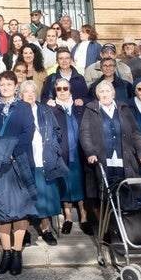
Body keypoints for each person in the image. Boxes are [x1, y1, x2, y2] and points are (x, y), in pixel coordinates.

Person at [0, 71, 37, 276]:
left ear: (15, 86)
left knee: (21, 208)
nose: (5, 87)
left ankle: (18, 252)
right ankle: (6, 252)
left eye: (9, 84)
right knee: (1, 208)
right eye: (2, 84)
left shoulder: (24, 108)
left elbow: (28, 133)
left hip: (19, 162)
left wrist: (10, 152)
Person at [79, 80, 141, 226]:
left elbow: (136, 133)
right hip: (102, 160)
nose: (105, 94)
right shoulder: (91, 109)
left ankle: (128, 226)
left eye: (107, 91)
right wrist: (90, 152)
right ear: (97, 95)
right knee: (105, 194)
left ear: (113, 93)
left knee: (125, 191)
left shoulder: (123, 108)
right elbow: (84, 134)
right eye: (101, 92)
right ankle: (108, 228)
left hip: (124, 158)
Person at [19, 80, 65, 247]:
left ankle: (46, 230)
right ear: (20, 95)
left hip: (45, 159)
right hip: (25, 160)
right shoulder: (17, 111)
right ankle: (23, 233)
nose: (30, 95)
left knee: (46, 198)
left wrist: (54, 147)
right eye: (26, 92)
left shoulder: (45, 110)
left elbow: (56, 131)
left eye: (33, 92)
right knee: (25, 198)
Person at [50, 78, 92, 235]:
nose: (62, 91)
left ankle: (84, 217)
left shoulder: (79, 106)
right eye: (59, 89)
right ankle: (68, 218)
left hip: (80, 152)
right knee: (65, 185)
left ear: (70, 90)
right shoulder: (52, 108)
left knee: (81, 185)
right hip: (62, 153)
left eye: (65, 88)